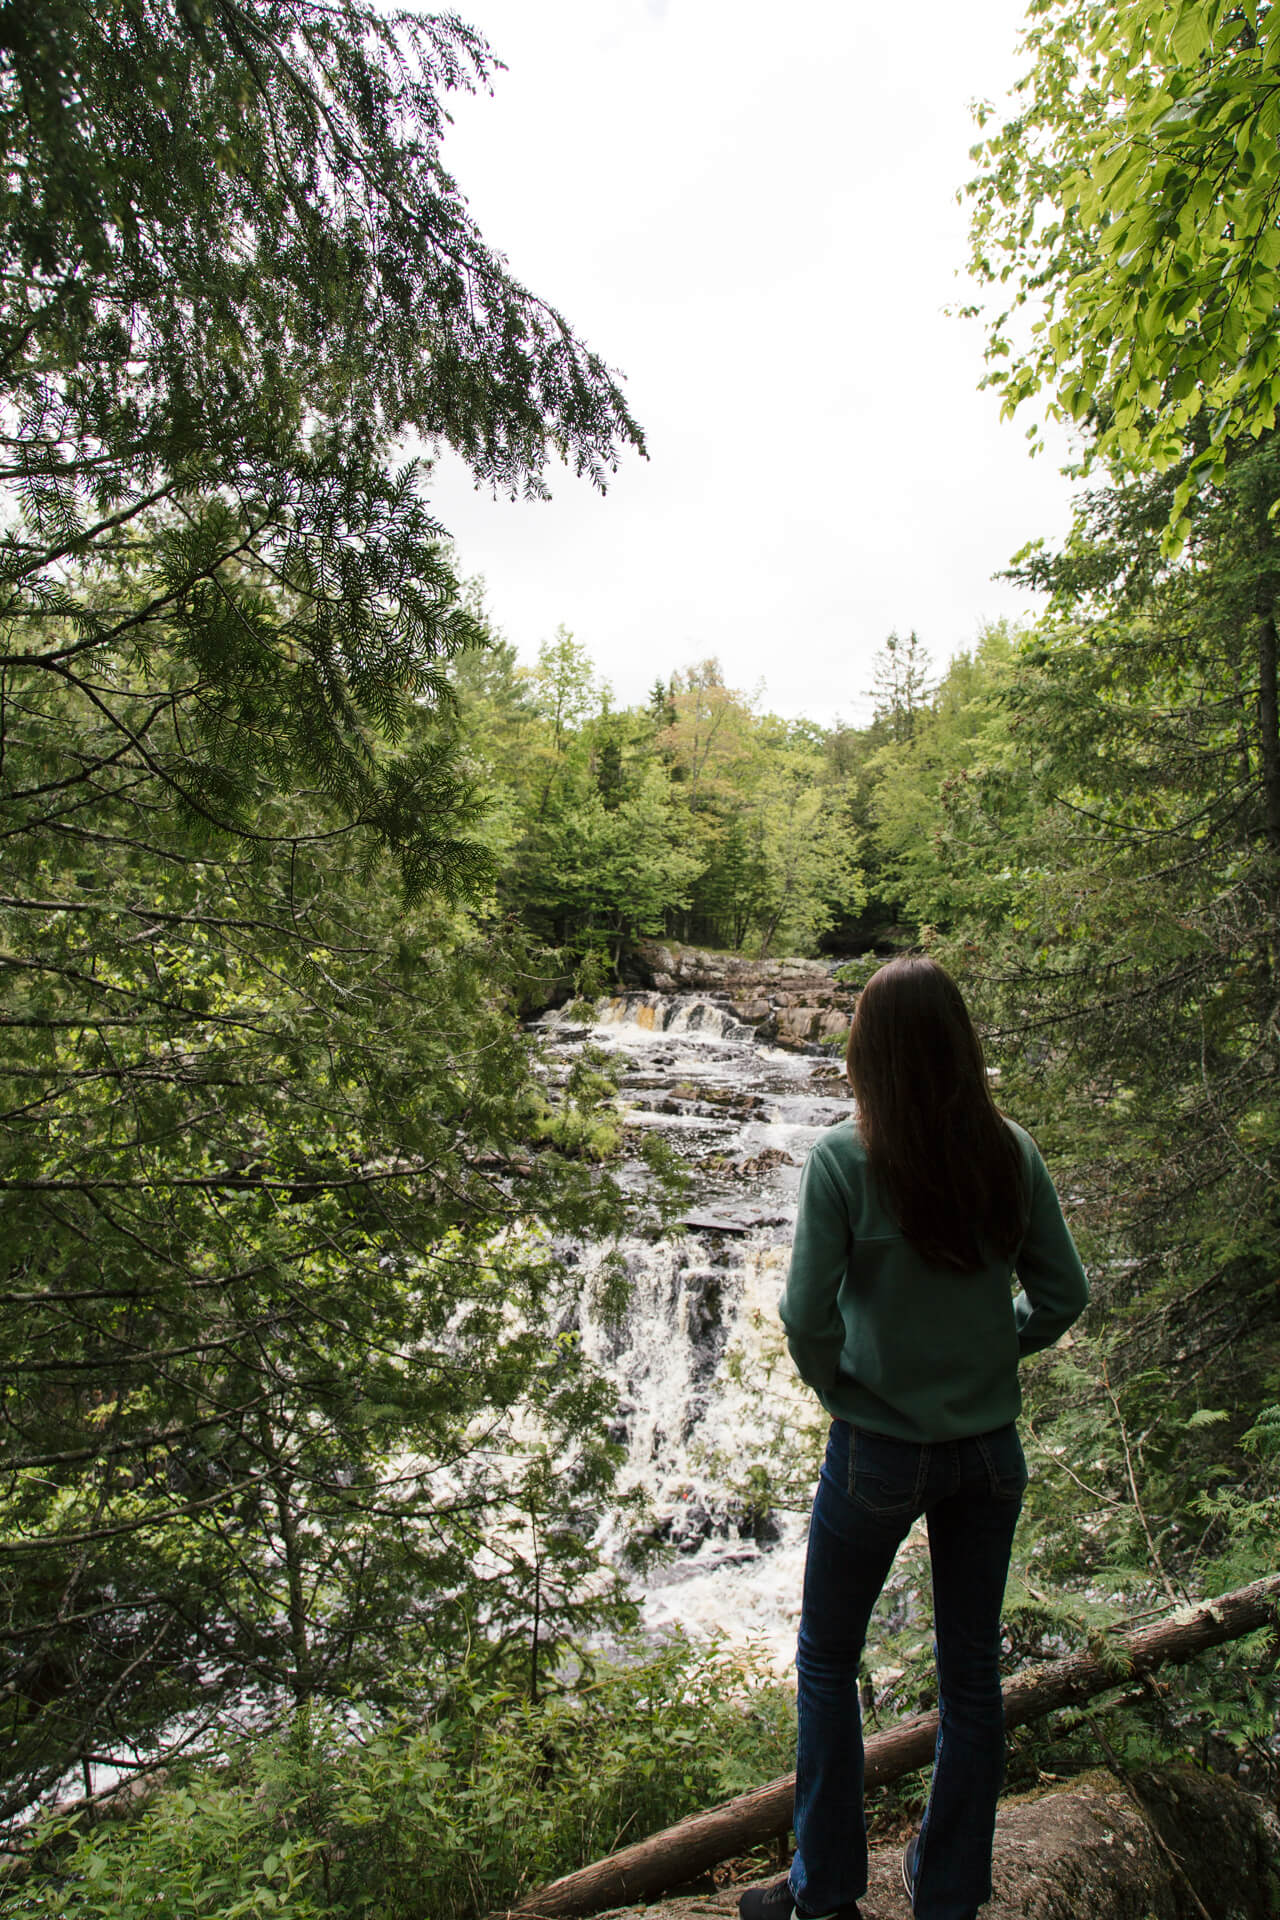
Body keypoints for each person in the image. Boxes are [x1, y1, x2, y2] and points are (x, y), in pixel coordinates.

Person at [739, 956, 1088, 1920]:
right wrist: (997, 1351)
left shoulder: (845, 1159)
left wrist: (843, 1386)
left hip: (878, 1448)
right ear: (959, 1046)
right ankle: (947, 1895)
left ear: (869, 1051)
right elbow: (1065, 1295)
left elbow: (804, 1314)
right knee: (971, 1673)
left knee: (826, 1661)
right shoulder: (1009, 1150)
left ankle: (827, 1896)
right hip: (987, 1452)